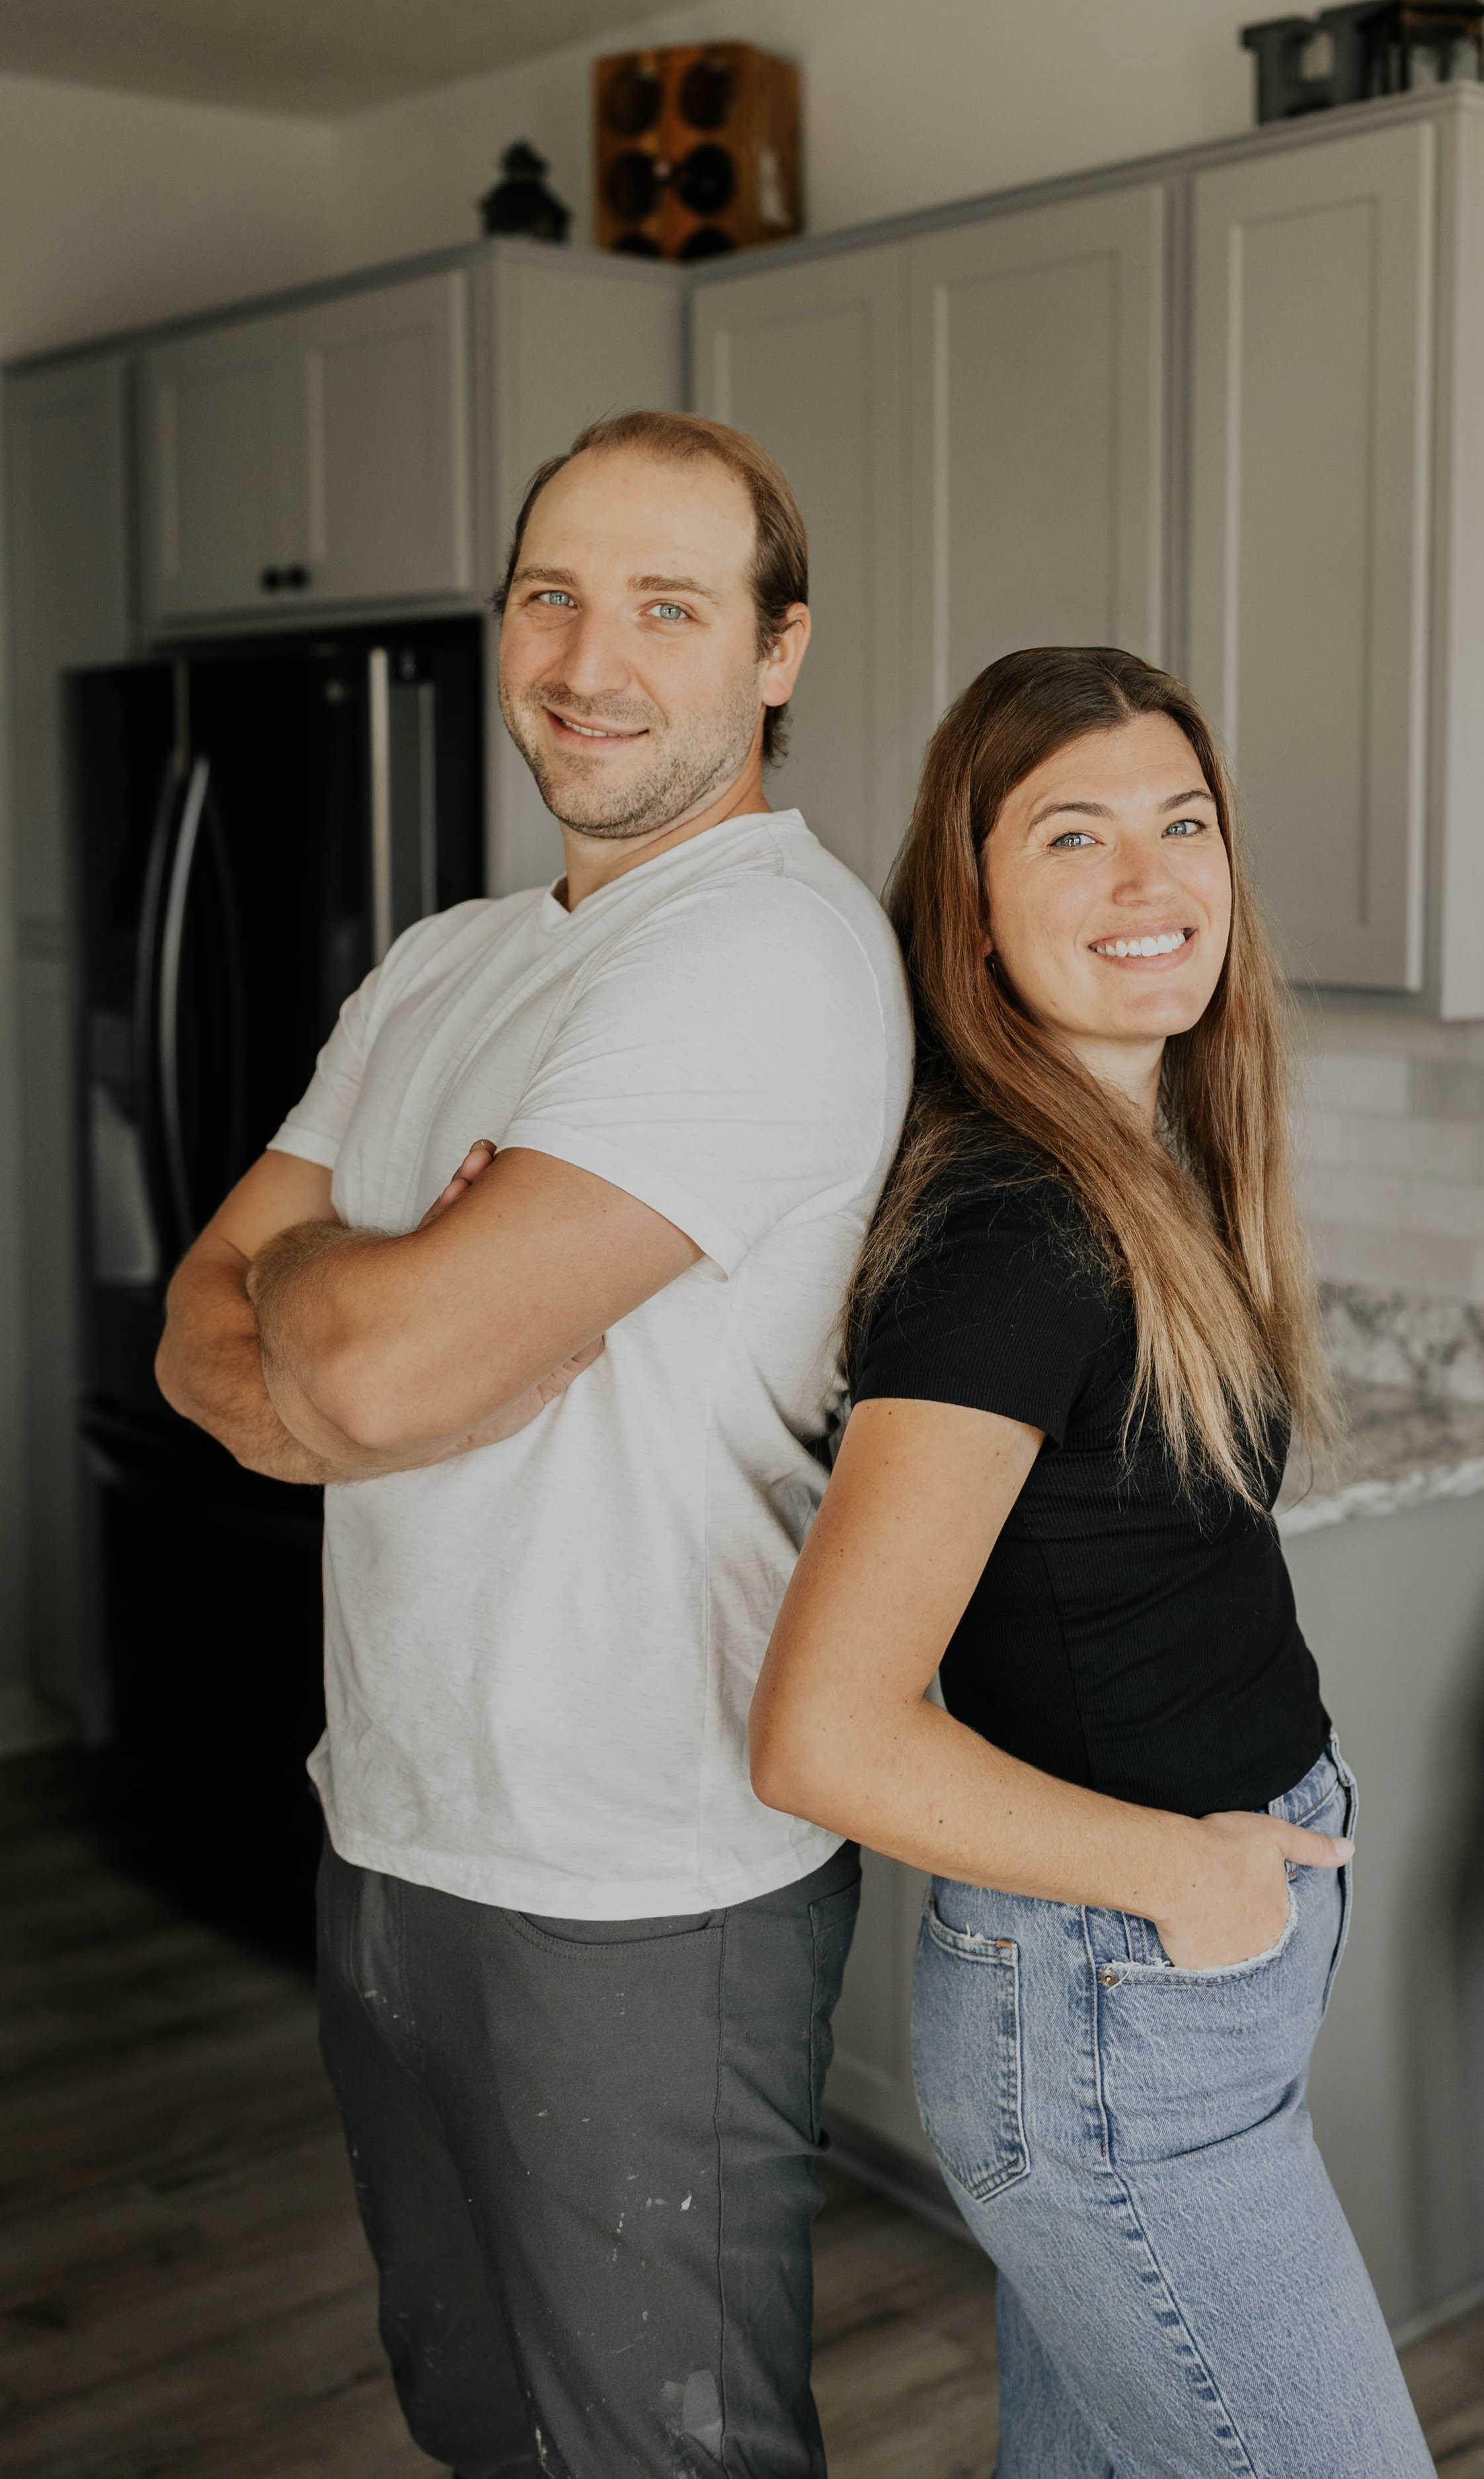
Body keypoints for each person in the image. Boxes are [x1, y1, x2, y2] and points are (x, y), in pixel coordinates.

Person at [155, 409, 912, 2479]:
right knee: (477, 2415)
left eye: (668, 606)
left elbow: (361, 1377)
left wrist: (344, 1317)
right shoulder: (447, 962)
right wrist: (375, 1309)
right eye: (550, 596)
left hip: (637, 1876)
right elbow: (194, 1335)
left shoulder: (764, 946)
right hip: (395, 1817)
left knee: (659, 2450)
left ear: (777, 652)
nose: (589, 659)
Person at [748, 647, 1432, 2476]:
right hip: (1114, 2007)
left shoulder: (1137, 1159)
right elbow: (823, 1730)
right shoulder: (1013, 1232)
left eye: (1180, 825)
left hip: (1170, 1983)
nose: (1152, 885)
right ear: (970, 913)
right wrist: (1188, 1882)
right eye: (1072, 837)